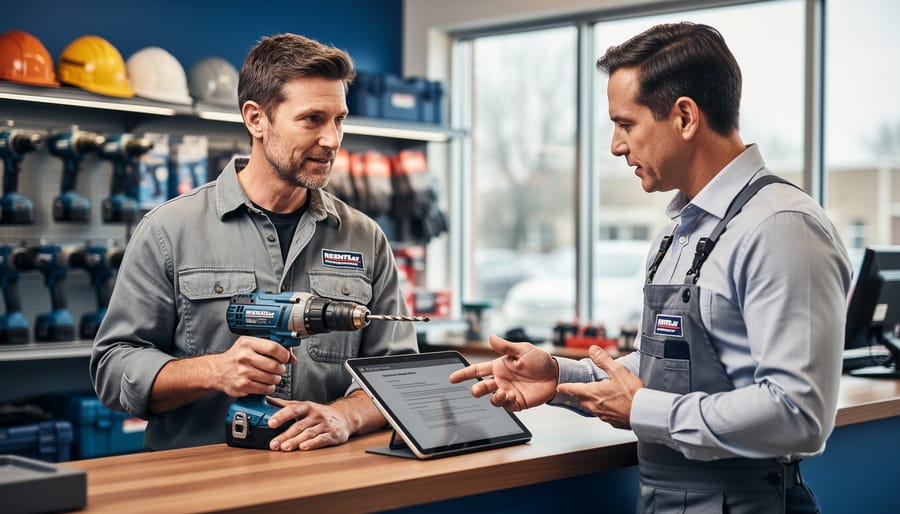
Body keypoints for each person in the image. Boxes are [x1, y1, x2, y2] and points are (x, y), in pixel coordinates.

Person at [450, 22, 850, 514]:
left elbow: (800, 413)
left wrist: (644, 410)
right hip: (665, 498)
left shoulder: (781, 227)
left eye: (626, 124)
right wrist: (560, 376)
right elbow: (661, 368)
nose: (616, 146)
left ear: (684, 117)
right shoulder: (677, 230)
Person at [91, 33, 418, 452]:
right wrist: (214, 371)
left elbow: (401, 375)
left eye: (339, 119)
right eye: (312, 119)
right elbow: (112, 368)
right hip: (203, 484)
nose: (333, 140)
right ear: (255, 119)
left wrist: (346, 414)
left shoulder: (364, 237)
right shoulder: (169, 230)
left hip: (325, 482)